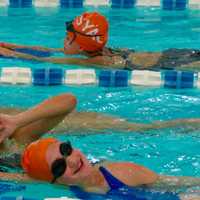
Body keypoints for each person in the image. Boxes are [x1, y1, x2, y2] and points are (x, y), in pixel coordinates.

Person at [0, 93, 200, 170]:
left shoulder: (18, 138)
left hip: (91, 169)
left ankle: (187, 124)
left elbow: (68, 101)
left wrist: (15, 121)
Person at [0, 137, 200, 200]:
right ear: (54, 181)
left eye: (66, 149)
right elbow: (20, 178)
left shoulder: (122, 173)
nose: (71, 160)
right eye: (59, 166)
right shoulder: (65, 184)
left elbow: (179, 184)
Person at [0, 12, 200, 71]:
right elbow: (47, 50)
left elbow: (47, 60)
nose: (62, 41)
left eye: (67, 38)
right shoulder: (99, 50)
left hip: (169, 65)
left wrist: (14, 55)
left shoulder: (97, 61)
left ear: (80, 45)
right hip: (171, 54)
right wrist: (11, 44)